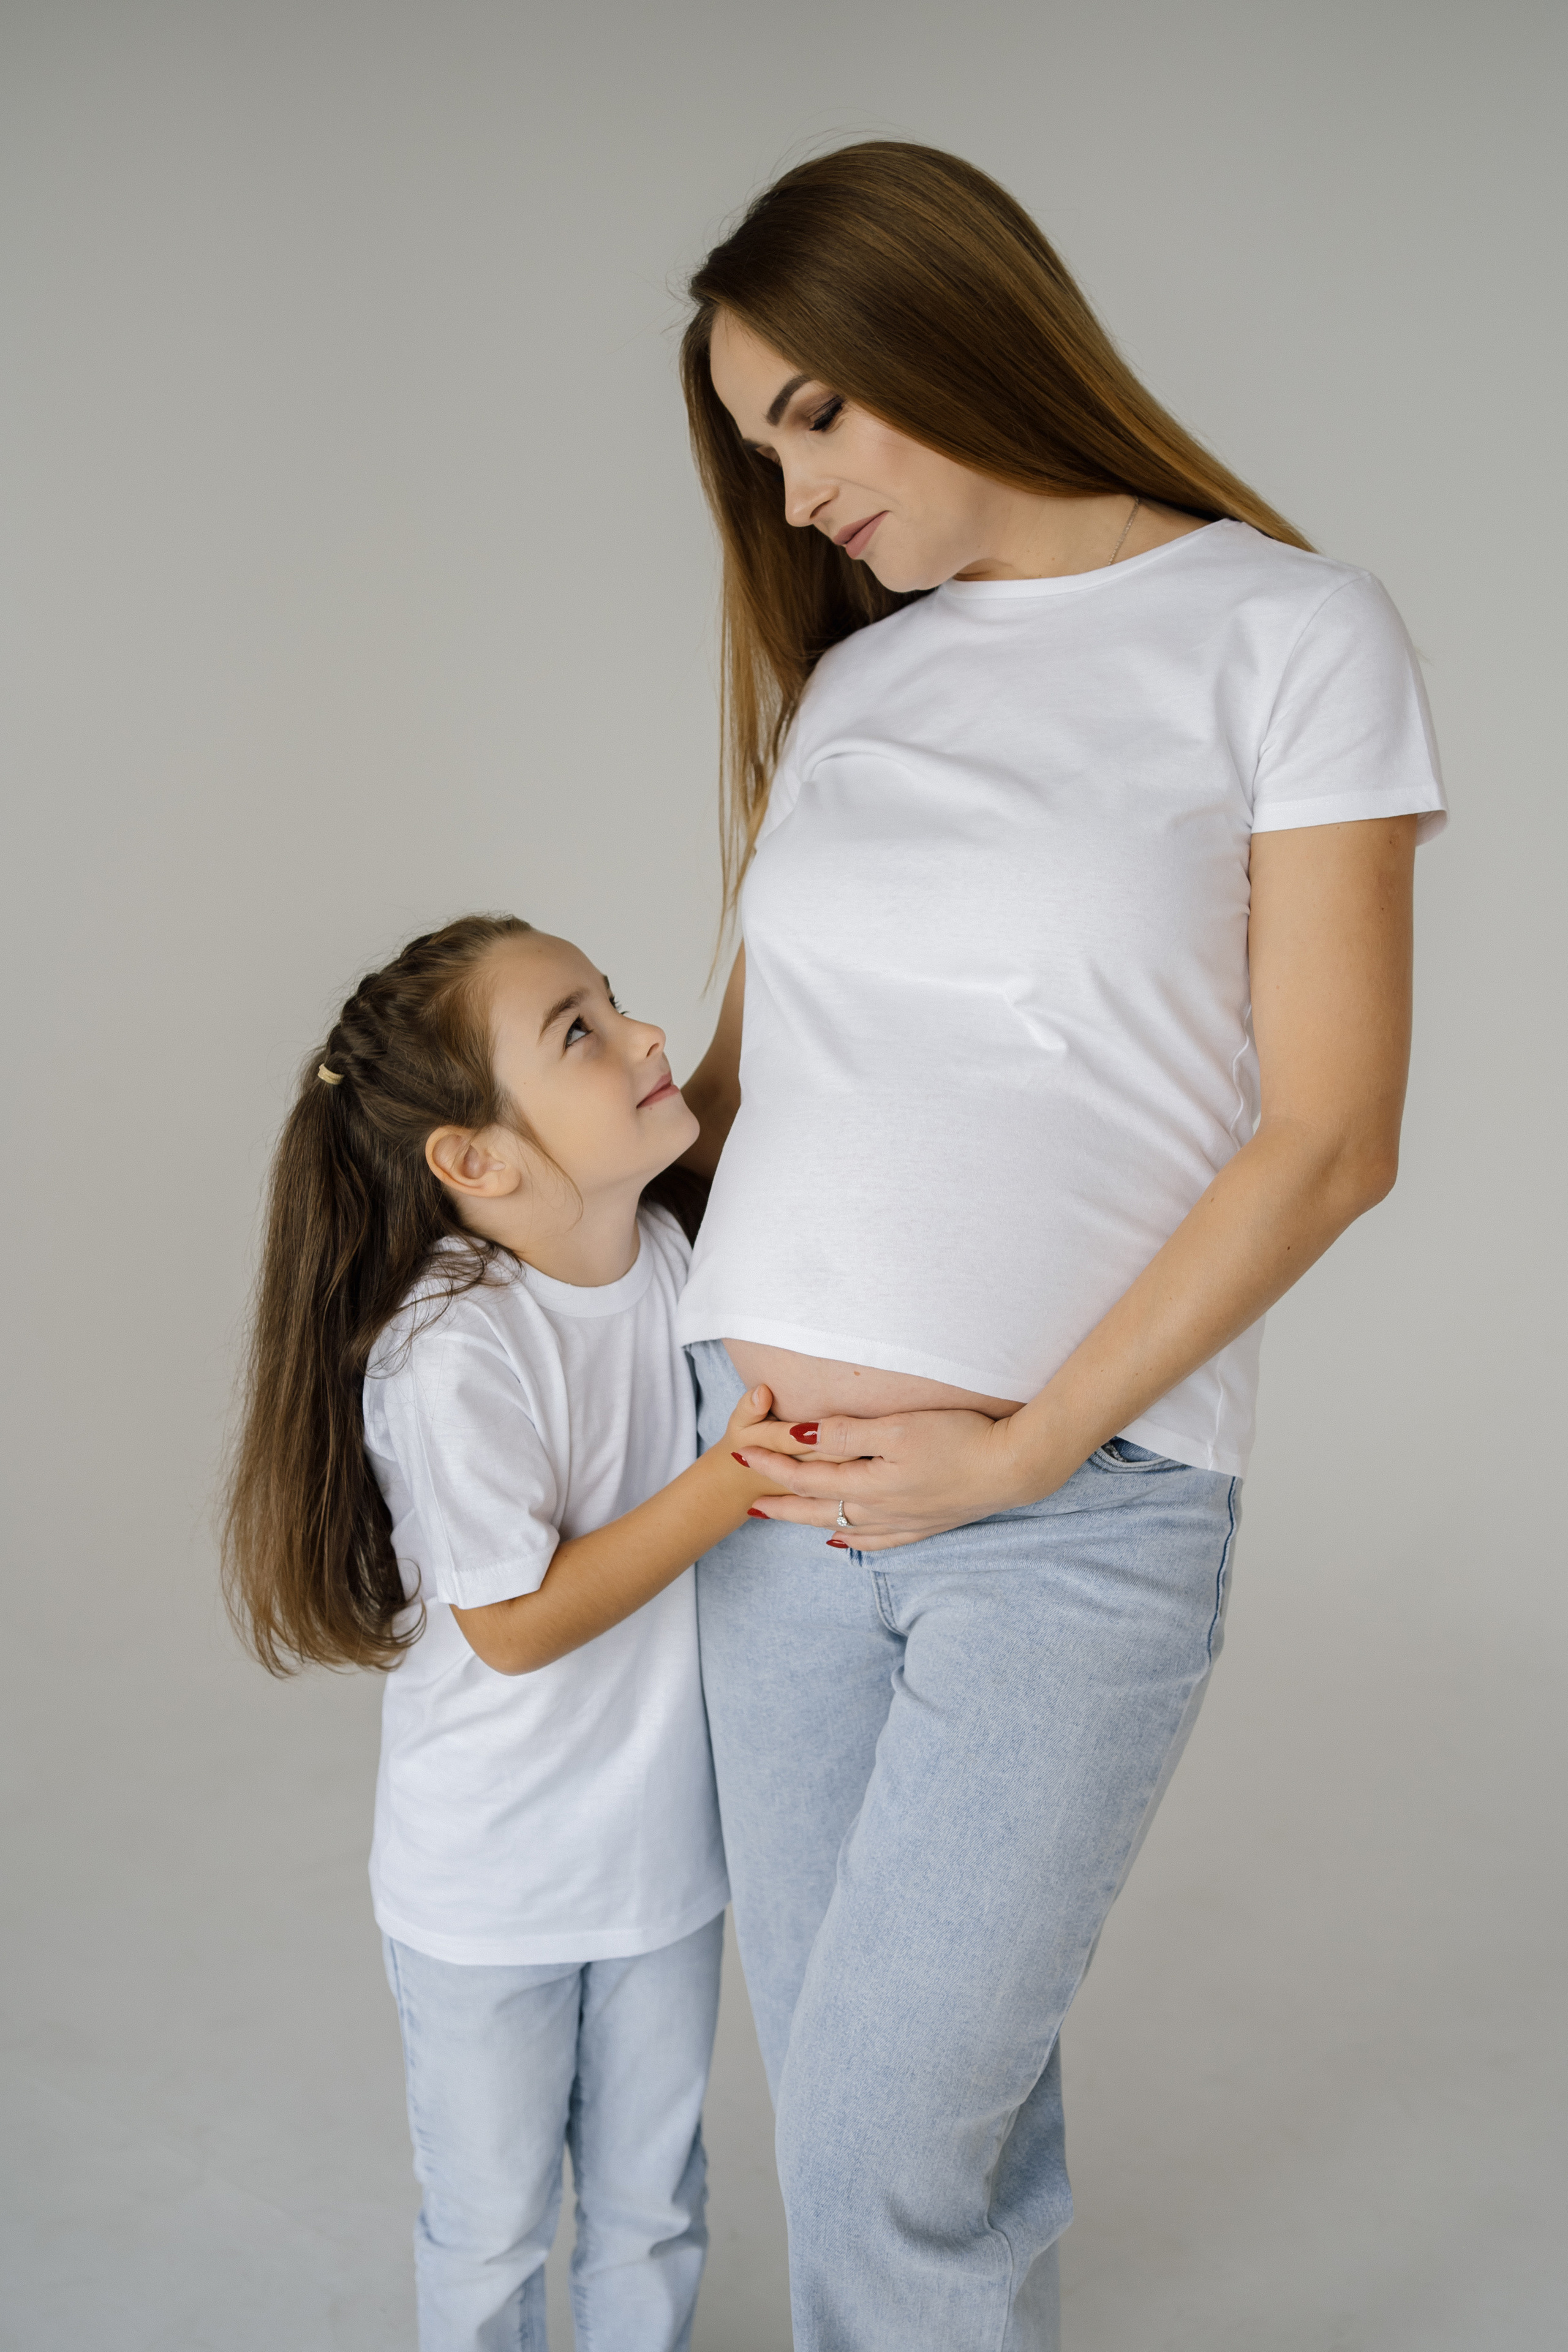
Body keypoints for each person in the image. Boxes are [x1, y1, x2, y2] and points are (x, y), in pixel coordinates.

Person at [672, 143, 1447, 2350]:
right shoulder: (854, 687)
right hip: (764, 1502)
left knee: (890, 2125)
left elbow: (1331, 1138)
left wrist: (1016, 1459)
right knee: (856, 2117)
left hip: (1073, 1515)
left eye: (817, 413)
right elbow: (749, 1094)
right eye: (759, 446)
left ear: (954, 327)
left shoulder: (1292, 632)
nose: (796, 490)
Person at [222, 913, 782, 2352]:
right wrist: (735, 1479)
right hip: (491, 1893)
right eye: (579, 1032)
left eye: (611, 1003)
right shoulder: (454, 1343)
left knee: (655, 2208)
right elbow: (518, 1625)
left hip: (662, 1865)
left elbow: (727, 1066)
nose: (642, 1038)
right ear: (473, 1161)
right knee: (489, 2228)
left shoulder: (669, 1258)